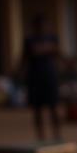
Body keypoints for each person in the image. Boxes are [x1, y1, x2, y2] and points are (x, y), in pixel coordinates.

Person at [18, 13, 61, 141]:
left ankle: (57, 135)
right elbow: (24, 58)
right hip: (35, 77)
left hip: (50, 76)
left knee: (54, 107)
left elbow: (58, 52)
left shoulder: (53, 38)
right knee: (38, 109)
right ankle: (41, 137)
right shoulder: (29, 40)